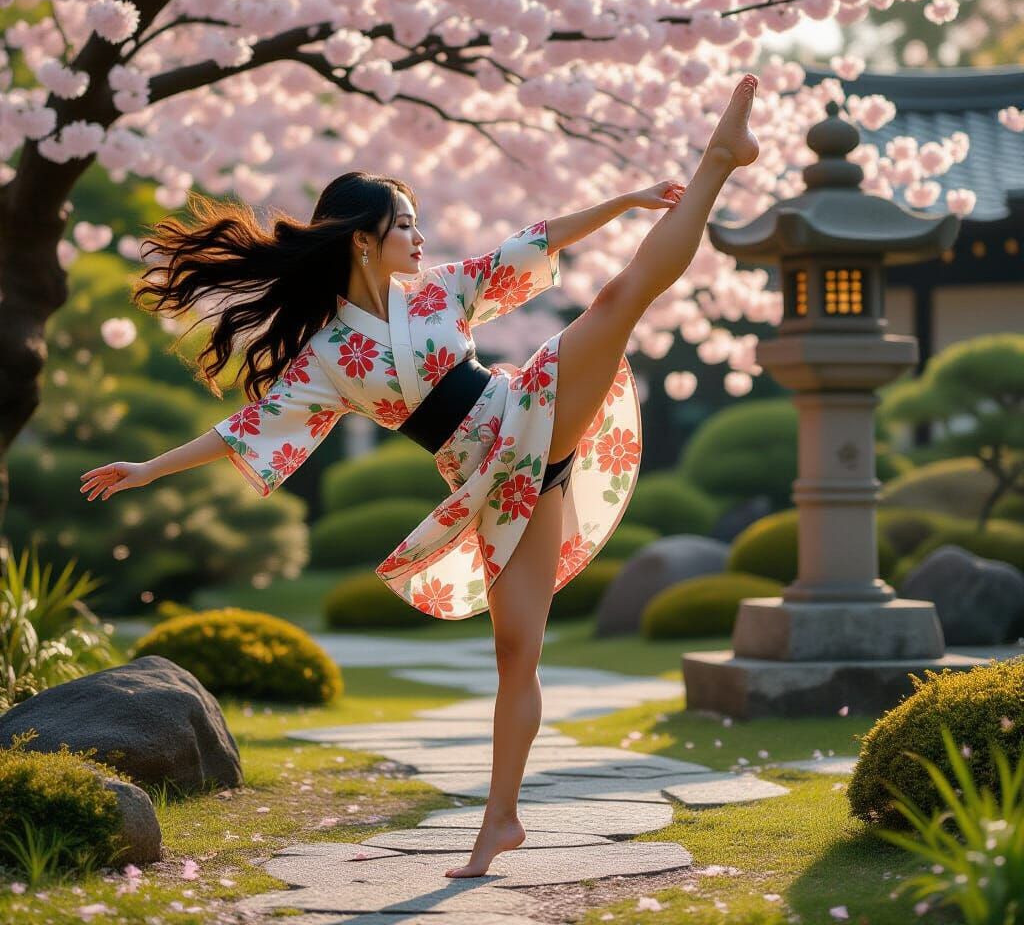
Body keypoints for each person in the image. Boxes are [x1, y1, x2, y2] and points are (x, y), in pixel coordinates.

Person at [81, 72, 759, 877]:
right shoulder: (328, 356)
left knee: (619, 298)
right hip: (496, 484)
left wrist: (624, 201)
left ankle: (720, 159)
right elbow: (246, 430)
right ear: (363, 237)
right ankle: (500, 822)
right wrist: (150, 467)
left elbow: (533, 243)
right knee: (517, 652)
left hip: (527, 410)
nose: (420, 237)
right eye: (405, 224)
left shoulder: (439, 292)